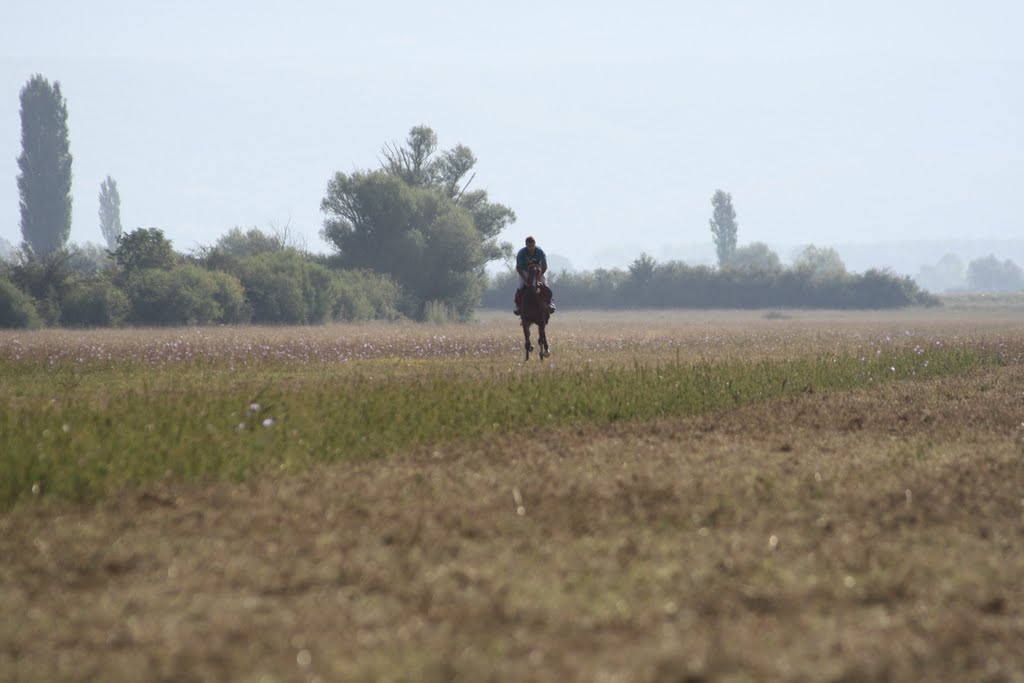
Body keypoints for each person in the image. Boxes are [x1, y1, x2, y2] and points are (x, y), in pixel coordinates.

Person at [513, 235, 555, 315]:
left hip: (538, 271)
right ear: (526, 246)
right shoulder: (521, 253)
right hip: (525, 271)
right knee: (520, 286)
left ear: (535, 244)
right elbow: (518, 268)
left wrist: (539, 276)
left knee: (545, 285)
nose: (531, 248)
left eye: (532, 246)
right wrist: (525, 279)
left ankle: (549, 303)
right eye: (529, 246)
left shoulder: (540, 252)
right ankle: (518, 306)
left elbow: (545, 266)